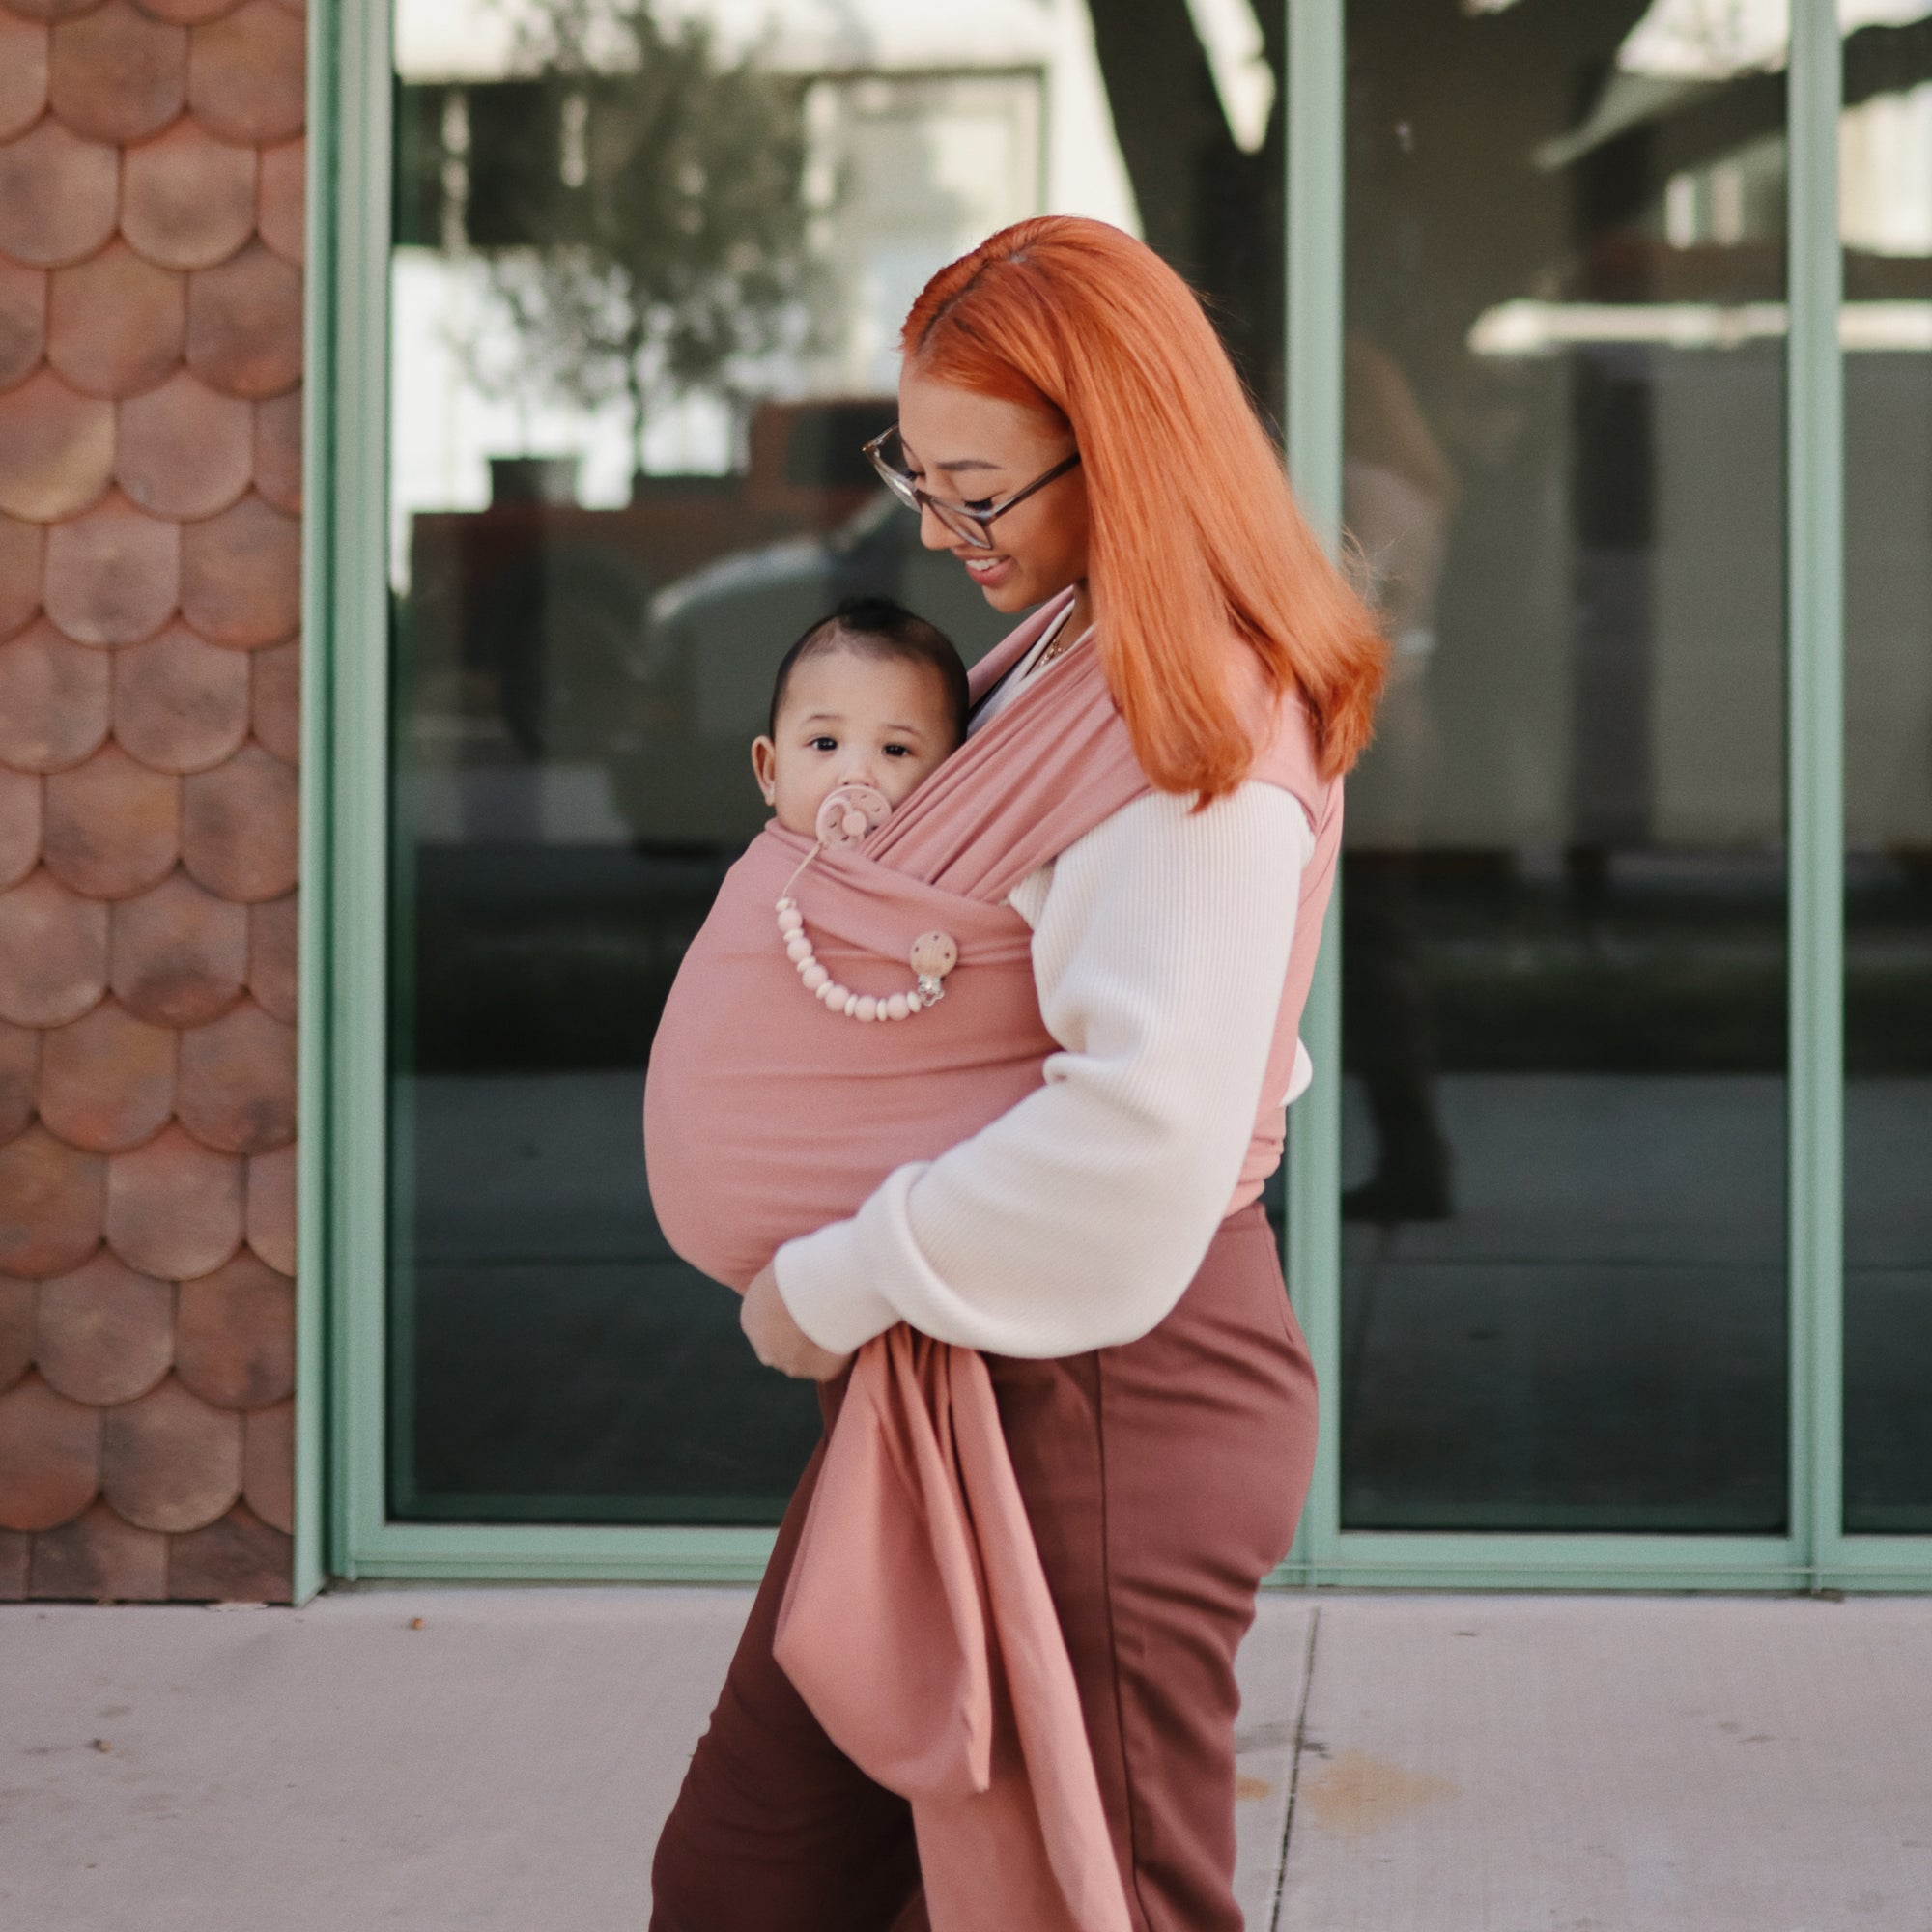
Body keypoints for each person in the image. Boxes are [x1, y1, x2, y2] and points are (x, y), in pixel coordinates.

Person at [649, 216, 1386, 1932]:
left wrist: (829, 1284)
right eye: (920, 468)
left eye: (976, 486)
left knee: (1075, 1902)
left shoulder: (1190, 730)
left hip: (1102, 1400)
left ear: (1115, 451)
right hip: (977, 1385)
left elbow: (1142, 1139)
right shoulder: (1075, 649)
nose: (934, 526)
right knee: (760, 1878)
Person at [752, 596, 969, 837]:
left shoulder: (947, 868)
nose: (856, 775)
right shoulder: (756, 869)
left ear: (951, 776)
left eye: (895, 749)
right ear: (770, 771)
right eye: (825, 744)